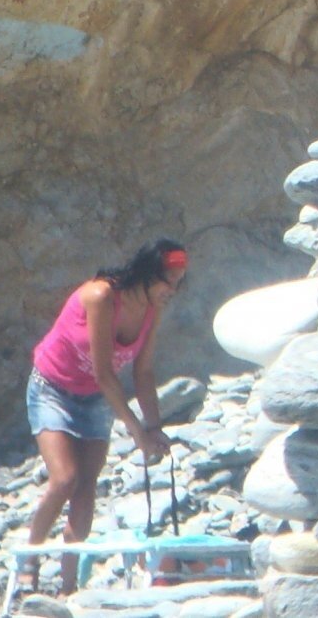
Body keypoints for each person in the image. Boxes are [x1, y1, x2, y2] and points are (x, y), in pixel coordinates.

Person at [22, 239, 187, 594]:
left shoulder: (152, 310)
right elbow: (104, 373)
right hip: (52, 389)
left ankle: (68, 587)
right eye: (168, 281)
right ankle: (28, 561)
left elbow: (143, 372)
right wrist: (136, 432)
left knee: (86, 489)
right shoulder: (101, 297)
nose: (172, 290)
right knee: (64, 479)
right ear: (147, 274)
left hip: (95, 400)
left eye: (179, 282)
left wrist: (154, 427)